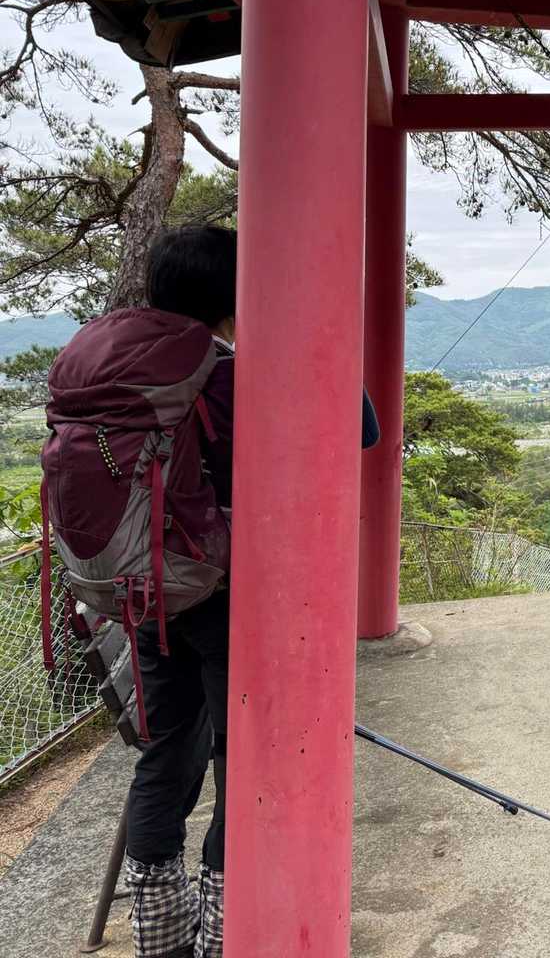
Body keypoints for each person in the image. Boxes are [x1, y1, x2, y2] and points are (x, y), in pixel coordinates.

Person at [126, 225, 379, 957]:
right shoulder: (234, 374)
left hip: (146, 593)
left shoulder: (124, 372)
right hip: (222, 596)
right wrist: (308, 325)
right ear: (237, 294)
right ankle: (227, 932)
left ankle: (160, 937)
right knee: (243, 763)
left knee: (163, 756)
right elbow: (361, 428)